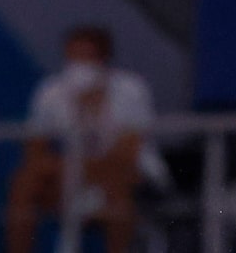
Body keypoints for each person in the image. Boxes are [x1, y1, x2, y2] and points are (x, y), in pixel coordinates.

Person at [8, 24, 162, 253]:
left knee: (117, 182)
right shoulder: (50, 91)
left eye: (87, 57)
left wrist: (96, 109)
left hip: (126, 172)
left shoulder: (131, 88)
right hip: (73, 173)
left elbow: (127, 151)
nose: (80, 64)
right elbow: (35, 150)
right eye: (74, 56)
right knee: (25, 182)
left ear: (103, 59)